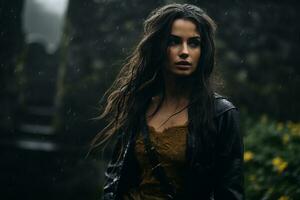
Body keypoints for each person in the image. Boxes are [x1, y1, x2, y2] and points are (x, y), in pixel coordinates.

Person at [91, 3, 244, 200]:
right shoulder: (139, 104)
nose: (184, 52)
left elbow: (230, 192)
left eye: (194, 43)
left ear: (203, 51)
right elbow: (115, 179)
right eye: (174, 41)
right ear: (159, 47)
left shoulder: (221, 115)